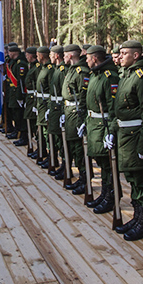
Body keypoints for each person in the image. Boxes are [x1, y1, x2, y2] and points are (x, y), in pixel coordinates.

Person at [114, 40, 143, 240]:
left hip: (137, 136)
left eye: (124, 53)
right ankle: (137, 217)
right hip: (125, 137)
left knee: (142, 181)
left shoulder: (142, 77)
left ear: (136, 55)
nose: (120, 56)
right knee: (132, 179)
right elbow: (119, 110)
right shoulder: (127, 76)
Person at [84, 45, 119, 214]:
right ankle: (105, 193)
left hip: (103, 126)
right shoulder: (95, 75)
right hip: (93, 125)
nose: (86, 60)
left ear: (95, 58)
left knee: (107, 165)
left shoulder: (109, 77)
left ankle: (111, 196)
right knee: (101, 163)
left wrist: (111, 131)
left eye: (88, 58)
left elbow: (113, 108)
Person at [61, 45, 88, 191]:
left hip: (77, 113)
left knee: (79, 148)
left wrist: (81, 119)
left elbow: (83, 97)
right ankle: (80, 177)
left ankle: (85, 179)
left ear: (70, 55)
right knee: (72, 145)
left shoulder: (81, 72)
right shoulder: (71, 70)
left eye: (65, 54)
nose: (63, 57)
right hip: (69, 110)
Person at [47, 45, 66, 176]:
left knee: (62, 139)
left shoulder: (63, 70)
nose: (50, 57)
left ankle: (66, 166)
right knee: (57, 138)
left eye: (51, 54)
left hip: (60, 109)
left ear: (57, 56)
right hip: (54, 107)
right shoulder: (55, 69)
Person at [33, 46, 54, 163]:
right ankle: (42, 151)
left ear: (41, 55)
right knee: (40, 128)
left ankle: (51, 156)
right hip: (41, 103)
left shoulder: (49, 69)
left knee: (46, 131)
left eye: (37, 55)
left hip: (46, 104)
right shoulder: (42, 68)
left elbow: (52, 88)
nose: (36, 57)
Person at [5, 44, 29, 142]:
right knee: (14, 113)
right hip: (12, 93)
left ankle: (23, 135)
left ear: (14, 52)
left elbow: (20, 81)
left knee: (19, 115)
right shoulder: (13, 62)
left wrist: (20, 96)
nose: (8, 54)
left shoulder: (21, 64)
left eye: (10, 52)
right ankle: (16, 130)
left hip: (17, 93)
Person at [19, 47, 38, 149]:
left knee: (33, 123)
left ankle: (40, 148)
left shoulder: (36, 67)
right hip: (29, 97)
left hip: (34, 98)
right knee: (28, 120)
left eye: (27, 55)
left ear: (31, 55)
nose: (26, 57)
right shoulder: (31, 66)